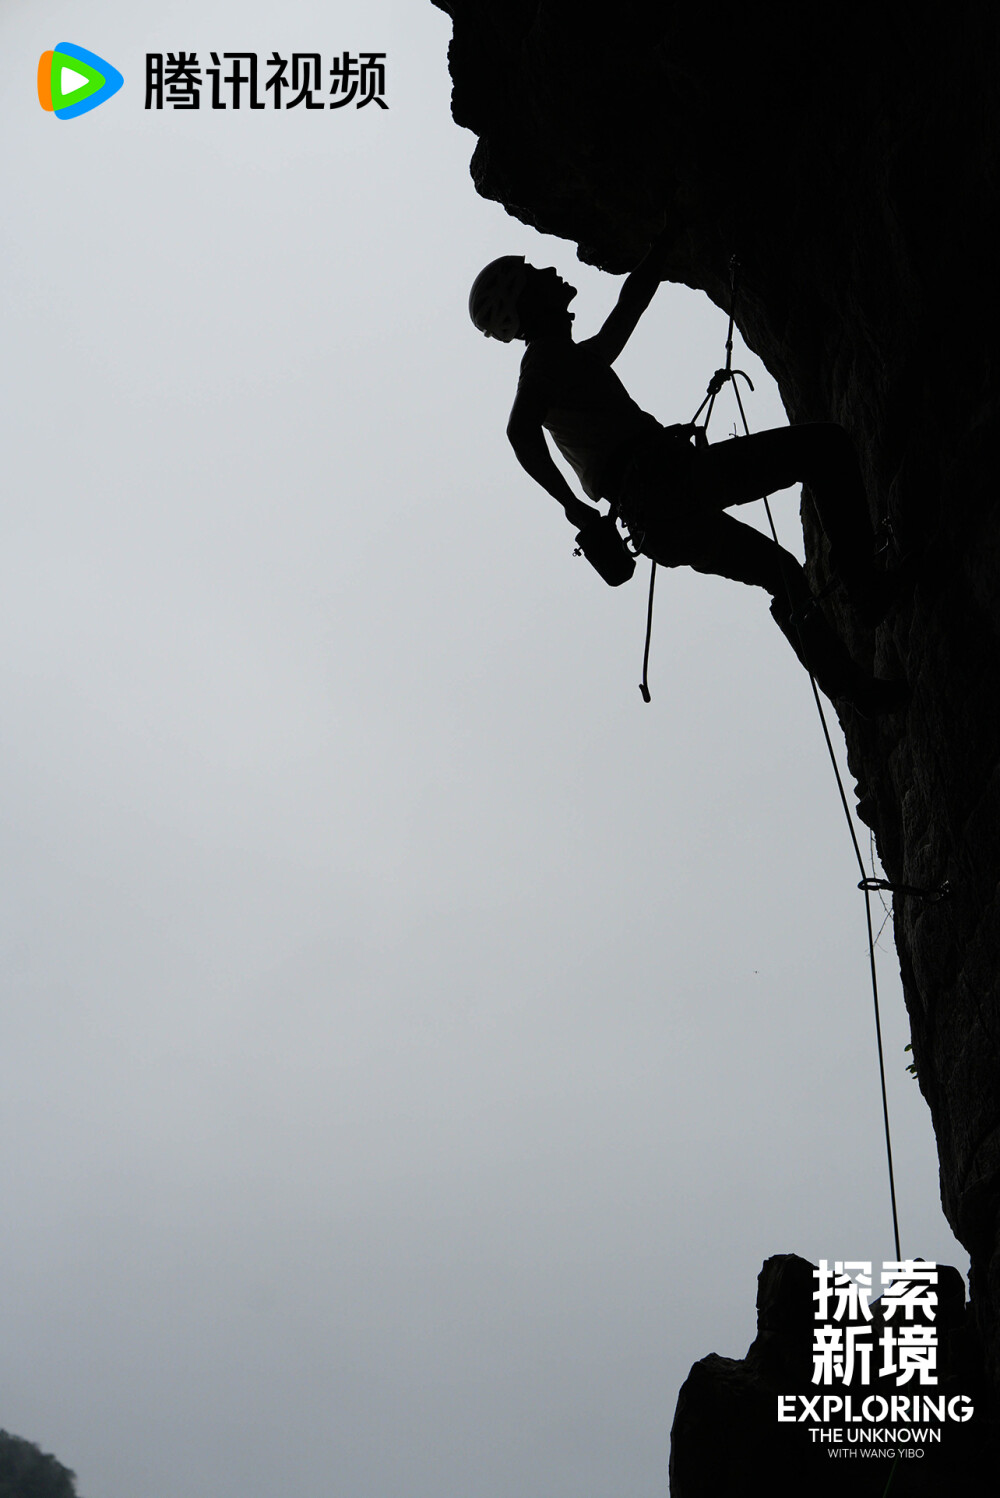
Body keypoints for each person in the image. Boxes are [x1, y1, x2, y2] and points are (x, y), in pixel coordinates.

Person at [468, 248, 909, 715]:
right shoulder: (545, 362)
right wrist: (571, 506)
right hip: (668, 485)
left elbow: (629, 306)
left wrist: (665, 243)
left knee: (780, 572)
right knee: (824, 449)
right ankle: (864, 591)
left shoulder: (573, 359)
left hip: (657, 514)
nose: (551, 272)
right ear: (524, 305)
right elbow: (520, 432)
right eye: (535, 275)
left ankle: (854, 689)